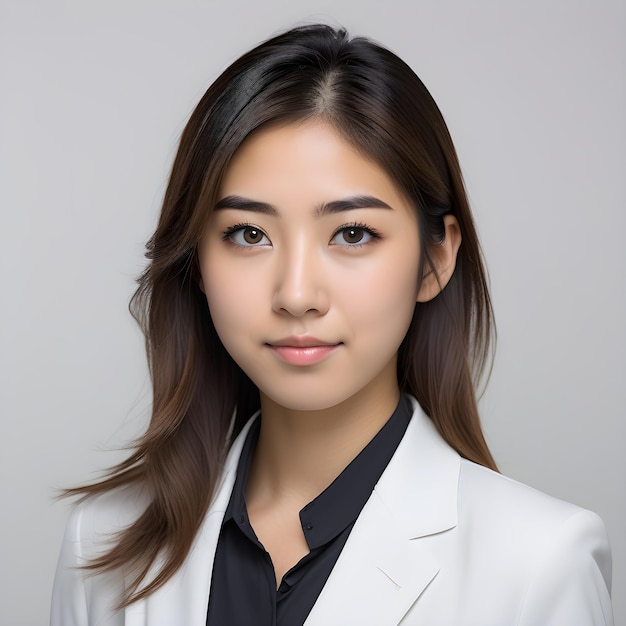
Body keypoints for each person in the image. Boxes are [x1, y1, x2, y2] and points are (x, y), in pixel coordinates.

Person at [50, 24, 613, 626]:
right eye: (249, 234)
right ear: (197, 263)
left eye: (352, 234)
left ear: (435, 260)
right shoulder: (102, 543)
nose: (296, 295)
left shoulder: (540, 563)